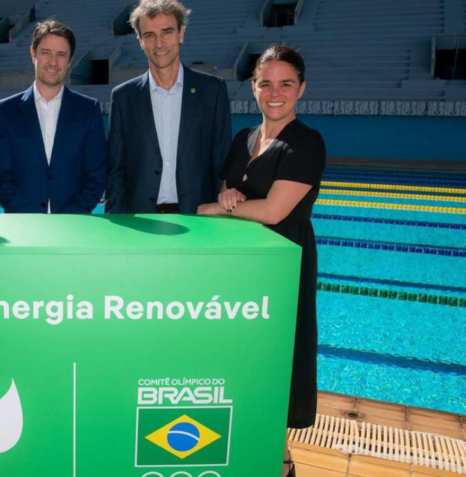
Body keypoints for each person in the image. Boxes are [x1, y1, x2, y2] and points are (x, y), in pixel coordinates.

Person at [196, 45, 326, 477]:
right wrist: (227, 199)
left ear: (301, 89)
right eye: (265, 83)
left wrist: (218, 208)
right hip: (241, 266)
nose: (275, 92)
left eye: (286, 84)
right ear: (253, 87)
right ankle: (245, 446)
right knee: (242, 355)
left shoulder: (306, 142)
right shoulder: (243, 139)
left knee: (277, 356)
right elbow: (228, 193)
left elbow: (273, 211)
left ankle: (280, 460)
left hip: (282, 265)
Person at [105, 0, 231, 214]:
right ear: (140, 41)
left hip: (198, 219)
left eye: (167, 32)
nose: (159, 43)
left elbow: (222, 161)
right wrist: (116, 221)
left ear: (181, 33)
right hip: (142, 220)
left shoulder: (213, 91)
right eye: (149, 35)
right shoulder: (123, 97)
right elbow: (116, 170)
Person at [0, 20, 106, 214]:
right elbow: (0, 176)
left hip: (73, 223)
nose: (53, 62)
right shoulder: (7, 111)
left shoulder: (88, 109)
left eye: (61, 55)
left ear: (70, 60)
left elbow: (96, 174)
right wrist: (30, 217)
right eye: (46, 53)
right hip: (23, 223)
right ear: (32, 53)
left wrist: (71, 215)